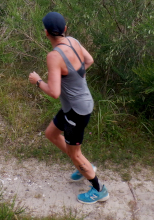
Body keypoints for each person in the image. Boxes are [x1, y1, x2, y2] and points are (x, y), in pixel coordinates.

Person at [28, 12, 109, 204]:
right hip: (76, 106)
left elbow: (54, 92)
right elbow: (88, 61)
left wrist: (37, 81)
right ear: (65, 29)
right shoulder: (73, 41)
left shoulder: (54, 56)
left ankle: (99, 190)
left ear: (46, 32)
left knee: (75, 154)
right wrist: (73, 77)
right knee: (51, 134)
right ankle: (83, 164)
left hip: (76, 111)